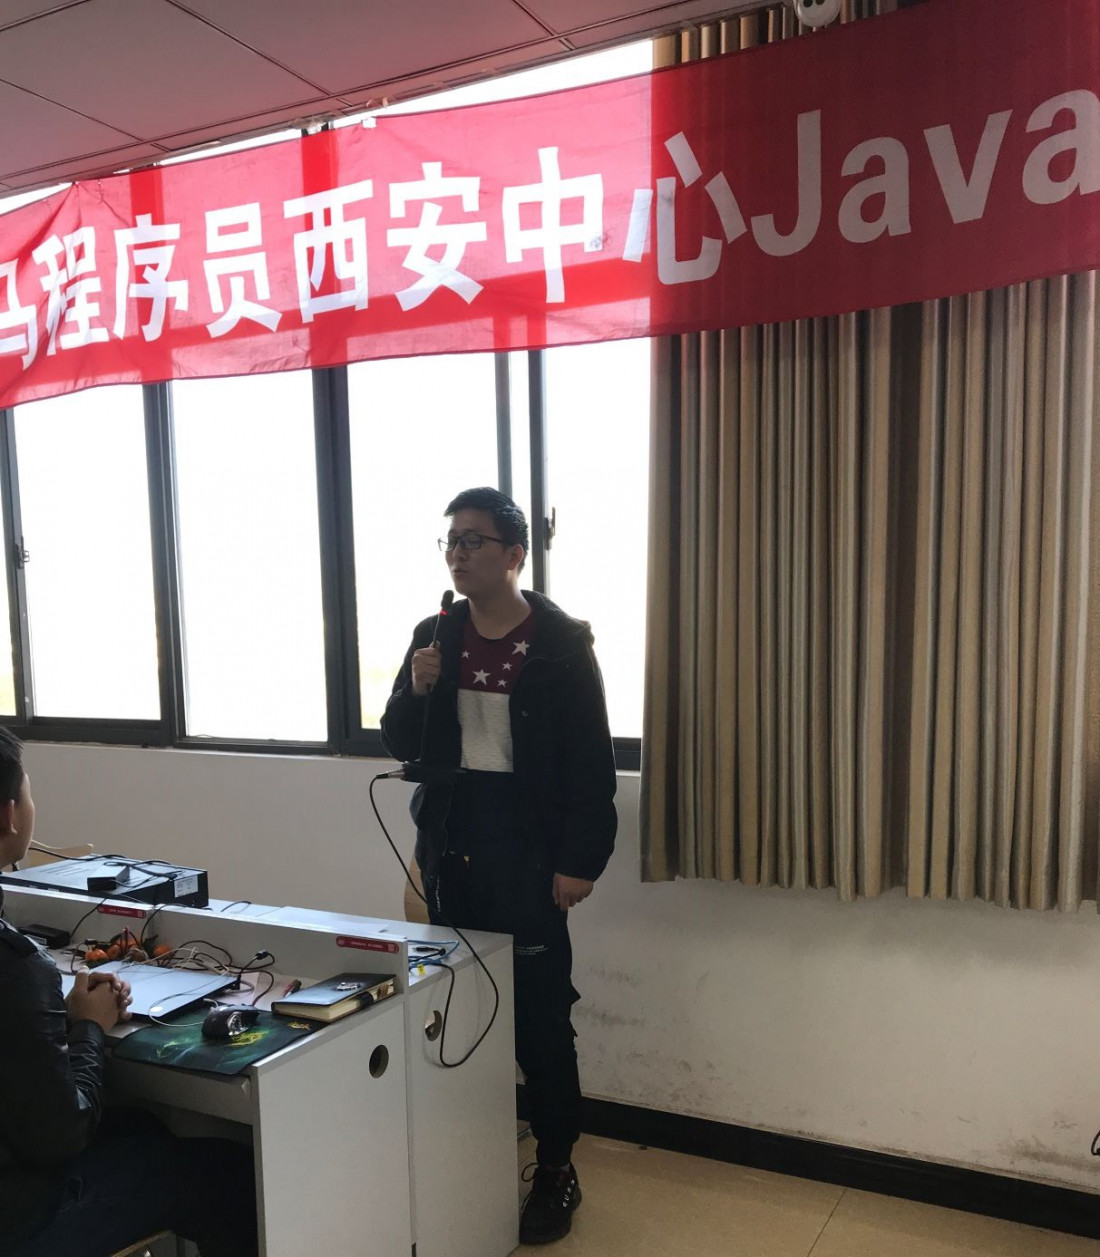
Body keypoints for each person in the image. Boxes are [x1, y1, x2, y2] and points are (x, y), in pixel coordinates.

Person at [381, 487, 616, 1245]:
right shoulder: (434, 632)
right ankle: (469, 1147)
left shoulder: (559, 644)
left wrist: (579, 861)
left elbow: (591, 765)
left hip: (530, 848)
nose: (458, 553)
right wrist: (419, 687)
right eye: (451, 540)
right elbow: (399, 740)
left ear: (515, 554)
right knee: (456, 1001)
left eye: (474, 540)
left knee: (539, 1020)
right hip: (452, 840)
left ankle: (555, 1166)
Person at [0, 727, 259, 1257]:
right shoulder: (17, 968)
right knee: (228, 1175)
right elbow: (63, 1131)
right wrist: (88, 1027)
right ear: (9, 816)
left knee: (141, 1127)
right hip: (22, 1222)